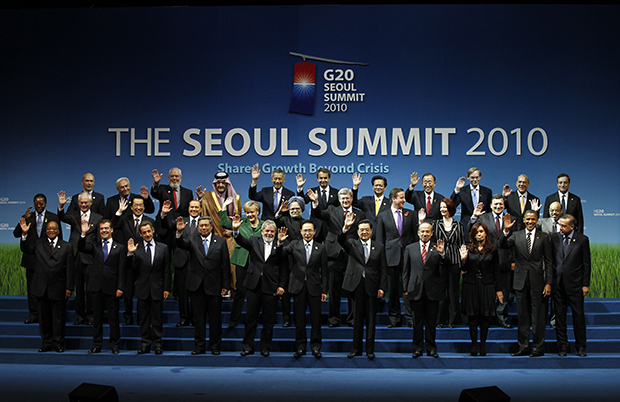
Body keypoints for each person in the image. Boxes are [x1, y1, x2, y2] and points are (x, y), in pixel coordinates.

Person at [500, 210, 553, 357]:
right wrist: (505, 230)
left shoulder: (544, 237)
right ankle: (523, 347)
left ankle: (538, 348)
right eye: (528, 219)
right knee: (522, 316)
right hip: (520, 281)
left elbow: (549, 262)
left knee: (538, 317)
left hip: (538, 281)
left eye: (533, 219)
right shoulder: (516, 236)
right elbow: (502, 245)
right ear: (523, 220)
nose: (530, 221)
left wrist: (548, 283)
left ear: (537, 220)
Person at [175, 216, 230, 355]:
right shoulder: (192, 240)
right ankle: (199, 347)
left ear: (211, 227)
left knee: (215, 319)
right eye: (201, 226)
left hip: (215, 285)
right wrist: (179, 233)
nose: (204, 228)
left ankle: (215, 347)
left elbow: (225, 265)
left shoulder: (221, 241)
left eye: (206, 225)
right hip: (197, 286)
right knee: (198, 319)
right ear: (198, 227)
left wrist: (226, 285)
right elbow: (180, 244)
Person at [309, 187, 363, 327]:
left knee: (352, 288)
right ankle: (334, 319)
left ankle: (352, 319)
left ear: (351, 199)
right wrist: (315, 202)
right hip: (334, 253)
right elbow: (319, 214)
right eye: (342, 199)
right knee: (334, 289)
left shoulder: (360, 214)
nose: (345, 200)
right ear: (339, 200)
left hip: (352, 254)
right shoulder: (332, 210)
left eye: (347, 198)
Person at [19, 219, 74, 353]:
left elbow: (70, 269)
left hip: (59, 287)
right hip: (41, 287)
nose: (50, 231)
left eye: (53, 229)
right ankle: (46, 343)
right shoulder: (39, 244)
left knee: (58, 318)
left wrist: (69, 287)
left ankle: (58, 343)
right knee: (44, 319)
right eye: (48, 229)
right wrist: (24, 235)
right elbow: (25, 248)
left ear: (58, 231)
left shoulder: (67, 246)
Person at [232, 218, 285, 356]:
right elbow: (240, 241)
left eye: (272, 231)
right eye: (267, 230)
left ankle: (265, 347)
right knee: (250, 318)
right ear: (261, 231)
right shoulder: (254, 240)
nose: (269, 233)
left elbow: (284, 267)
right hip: (253, 285)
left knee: (268, 320)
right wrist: (236, 230)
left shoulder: (280, 244)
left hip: (271, 286)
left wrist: (281, 286)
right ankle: (247, 347)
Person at [279, 220, 328, 359]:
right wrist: (280, 243)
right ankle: (301, 346)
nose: (307, 233)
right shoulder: (294, 245)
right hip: (297, 286)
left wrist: (325, 290)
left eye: (310, 230)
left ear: (314, 232)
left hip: (314, 287)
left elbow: (324, 271)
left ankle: (316, 347)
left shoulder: (321, 248)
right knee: (299, 319)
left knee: (316, 319)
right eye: (304, 230)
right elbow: (281, 255)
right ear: (300, 232)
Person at [340, 216, 387, 359]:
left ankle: (370, 350)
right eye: (361, 230)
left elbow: (383, 269)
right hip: (356, 285)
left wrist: (382, 287)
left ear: (372, 231)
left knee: (371, 321)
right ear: (358, 231)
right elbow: (340, 240)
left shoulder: (379, 246)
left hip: (372, 286)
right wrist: (345, 228)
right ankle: (356, 349)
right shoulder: (352, 244)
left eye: (367, 229)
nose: (364, 232)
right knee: (357, 319)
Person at [78, 219, 125, 355]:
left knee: (113, 318)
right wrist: (83, 234)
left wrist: (120, 287)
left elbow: (122, 270)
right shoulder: (94, 246)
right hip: (96, 287)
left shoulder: (120, 248)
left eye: (106, 228)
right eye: (101, 229)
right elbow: (81, 247)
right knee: (97, 318)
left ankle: (114, 345)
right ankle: (96, 345)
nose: (104, 231)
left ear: (111, 230)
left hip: (112, 288)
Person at [12, 194, 62, 324]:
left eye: (41, 204)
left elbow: (59, 238)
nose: (39, 206)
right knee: (32, 289)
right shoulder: (29, 217)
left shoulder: (53, 217)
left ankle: (48, 315)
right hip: (31, 260)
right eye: (36, 203)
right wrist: (24, 217)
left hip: (48, 260)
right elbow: (16, 234)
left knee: (48, 289)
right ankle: (34, 315)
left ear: (46, 203)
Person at [374, 187, 419, 328]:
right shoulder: (382, 215)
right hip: (390, 256)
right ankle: (394, 318)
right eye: (401, 198)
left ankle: (410, 318)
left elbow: (414, 236)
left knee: (408, 288)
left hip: (408, 255)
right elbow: (380, 239)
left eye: (404, 198)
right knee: (392, 289)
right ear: (393, 199)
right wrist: (380, 259)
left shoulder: (410, 214)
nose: (404, 200)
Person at [469, 194, 515, 328]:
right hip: (486, 261)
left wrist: (514, 260)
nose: (498, 206)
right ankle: (487, 318)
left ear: (504, 205)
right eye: (495, 204)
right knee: (487, 292)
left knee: (504, 292)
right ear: (491, 205)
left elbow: (516, 241)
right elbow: (471, 231)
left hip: (506, 261)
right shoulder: (483, 218)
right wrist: (473, 217)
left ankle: (502, 319)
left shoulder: (511, 219)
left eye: (500, 204)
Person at [58, 191, 102, 326]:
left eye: (86, 202)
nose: (83, 205)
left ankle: (90, 315)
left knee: (90, 289)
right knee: (78, 289)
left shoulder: (98, 217)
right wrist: (60, 206)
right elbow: (62, 217)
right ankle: (80, 316)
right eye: (81, 203)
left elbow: (99, 240)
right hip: (75, 256)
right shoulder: (73, 216)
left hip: (90, 258)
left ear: (91, 203)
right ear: (78, 203)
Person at [218, 200, 264, 328]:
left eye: (252, 212)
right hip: (241, 260)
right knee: (240, 290)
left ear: (258, 212)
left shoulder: (264, 225)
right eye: (247, 212)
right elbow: (223, 223)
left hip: (257, 262)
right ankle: (234, 320)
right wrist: (224, 207)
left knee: (256, 292)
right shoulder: (241, 223)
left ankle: (254, 320)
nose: (250, 215)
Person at [127, 221, 171, 355]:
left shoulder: (163, 248)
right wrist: (130, 255)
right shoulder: (136, 248)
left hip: (157, 288)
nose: (147, 234)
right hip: (142, 289)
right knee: (144, 319)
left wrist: (166, 288)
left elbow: (166, 270)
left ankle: (158, 344)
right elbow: (130, 269)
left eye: (149, 231)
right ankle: (145, 344)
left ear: (153, 231)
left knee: (157, 319)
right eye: (144, 232)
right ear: (140, 234)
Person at [459, 222, 503, 356]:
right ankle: (473, 345)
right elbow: (464, 270)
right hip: (471, 285)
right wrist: (463, 260)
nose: (479, 234)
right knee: (472, 317)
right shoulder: (467, 248)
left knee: (485, 317)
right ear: (473, 235)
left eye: (481, 232)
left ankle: (482, 344)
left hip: (487, 285)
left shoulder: (493, 249)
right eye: (477, 232)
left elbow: (496, 271)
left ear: (486, 234)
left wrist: (499, 290)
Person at [402, 222, 445, 358]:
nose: (425, 234)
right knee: (417, 323)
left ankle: (431, 348)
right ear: (418, 233)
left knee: (431, 323)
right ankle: (418, 348)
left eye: (428, 232)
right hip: (415, 290)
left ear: (432, 233)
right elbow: (405, 271)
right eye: (423, 231)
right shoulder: (410, 248)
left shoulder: (437, 249)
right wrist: (405, 288)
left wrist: (443, 254)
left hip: (433, 291)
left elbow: (444, 270)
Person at [111, 196, 156, 326]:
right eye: (136, 205)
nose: (138, 207)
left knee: (145, 292)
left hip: (145, 261)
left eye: (141, 205)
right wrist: (119, 211)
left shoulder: (150, 221)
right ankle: (128, 316)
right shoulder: (124, 220)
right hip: (129, 260)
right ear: (131, 207)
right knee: (128, 291)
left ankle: (145, 317)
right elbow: (113, 225)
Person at [551, 214, 590, 357]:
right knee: (559, 318)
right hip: (558, 284)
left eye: (564, 226)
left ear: (572, 227)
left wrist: (585, 284)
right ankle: (562, 346)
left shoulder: (582, 240)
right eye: (560, 225)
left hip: (575, 285)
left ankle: (581, 346)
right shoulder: (554, 238)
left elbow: (586, 263)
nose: (560, 228)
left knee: (578, 317)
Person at [423, 198, 464, 328]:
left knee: (453, 291)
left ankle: (453, 320)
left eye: (444, 207)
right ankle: (440, 319)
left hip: (454, 262)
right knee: (440, 291)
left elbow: (461, 244)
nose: (442, 209)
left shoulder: (459, 225)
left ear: (451, 208)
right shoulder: (435, 224)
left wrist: (463, 262)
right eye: (441, 207)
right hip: (439, 261)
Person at [162, 199, 201, 327]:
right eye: (191, 207)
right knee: (182, 294)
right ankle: (184, 318)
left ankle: (196, 318)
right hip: (181, 262)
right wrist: (163, 215)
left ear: (200, 209)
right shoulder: (181, 220)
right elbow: (165, 225)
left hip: (197, 262)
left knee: (196, 294)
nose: (194, 209)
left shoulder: (204, 223)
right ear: (188, 208)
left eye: (196, 207)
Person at [273, 196, 308, 327]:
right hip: (285, 259)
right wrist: (279, 212)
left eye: (297, 209)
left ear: (302, 209)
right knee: (285, 292)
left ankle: (300, 318)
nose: (294, 211)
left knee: (301, 292)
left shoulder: (306, 222)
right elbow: (273, 222)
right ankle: (287, 318)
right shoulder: (283, 220)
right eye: (292, 209)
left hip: (301, 261)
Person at [151, 167, 193, 253]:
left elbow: (191, 209)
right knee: (163, 257)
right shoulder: (162, 189)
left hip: (180, 229)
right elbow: (154, 193)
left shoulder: (188, 193)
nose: (174, 178)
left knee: (180, 256)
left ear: (181, 177)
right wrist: (156, 183)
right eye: (172, 176)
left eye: (177, 176)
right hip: (164, 230)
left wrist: (199, 199)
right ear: (168, 178)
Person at [296, 169, 340, 242]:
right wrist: (300, 188)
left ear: (329, 178)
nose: (323, 180)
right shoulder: (312, 191)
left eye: (325, 178)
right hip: (315, 227)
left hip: (331, 228)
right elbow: (303, 201)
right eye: (321, 178)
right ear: (317, 179)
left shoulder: (336, 193)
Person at [450, 167, 492, 241]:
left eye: (477, 177)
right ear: (468, 177)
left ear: (480, 177)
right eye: (472, 177)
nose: (475, 180)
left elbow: (489, 210)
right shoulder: (462, 191)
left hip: (483, 227)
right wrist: (457, 189)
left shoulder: (487, 191)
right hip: (467, 228)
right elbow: (452, 205)